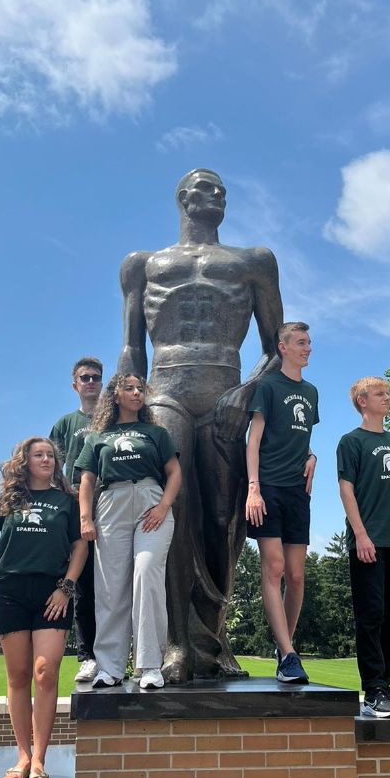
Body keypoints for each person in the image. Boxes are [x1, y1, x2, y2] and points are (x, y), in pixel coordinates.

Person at [118, 168, 284, 681]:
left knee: (222, 519)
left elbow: (275, 347)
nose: (217, 195)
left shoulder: (252, 262)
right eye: (206, 187)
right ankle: (176, 644)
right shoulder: (143, 265)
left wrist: (246, 391)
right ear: (183, 198)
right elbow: (132, 346)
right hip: (165, 390)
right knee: (173, 510)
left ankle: (213, 640)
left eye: (223, 190)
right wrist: (124, 417)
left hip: (225, 392)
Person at [0, 437, 87, 778]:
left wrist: (66, 587)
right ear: (26, 461)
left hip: (52, 592)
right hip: (11, 591)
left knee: (45, 673)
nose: (46, 459)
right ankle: (23, 755)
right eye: (39, 455)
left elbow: (80, 547)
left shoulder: (67, 501)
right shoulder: (8, 501)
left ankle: (41, 760)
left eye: (50, 455)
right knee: (18, 676)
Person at [76, 374, 182, 689]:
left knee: (147, 574)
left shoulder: (156, 433)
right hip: (111, 505)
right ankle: (109, 667)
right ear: (116, 395)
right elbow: (86, 480)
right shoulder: (98, 437)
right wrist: (86, 517)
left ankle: (150, 666)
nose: (137, 393)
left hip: (151, 503)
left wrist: (164, 506)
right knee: (110, 587)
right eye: (130, 388)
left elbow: (175, 472)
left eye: (140, 389)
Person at [337, 377, 390, 719]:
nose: (387, 398)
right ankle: (372, 691)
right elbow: (346, 490)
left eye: (388, 393)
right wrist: (361, 535)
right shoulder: (351, 442)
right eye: (380, 394)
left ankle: (385, 686)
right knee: (369, 617)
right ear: (362, 401)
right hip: (368, 543)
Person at [245, 322, 318, 684]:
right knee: (273, 568)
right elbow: (253, 439)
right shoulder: (268, 386)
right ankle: (289, 653)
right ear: (283, 347)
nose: (308, 348)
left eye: (309, 343)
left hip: (297, 492)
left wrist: (312, 456)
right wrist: (253, 488)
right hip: (268, 487)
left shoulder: (311, 391)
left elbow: (301, 438)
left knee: (297, 575)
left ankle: (283, 647)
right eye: (301, 342)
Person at [49, 356, 104, 684]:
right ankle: (87, 655)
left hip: (111, 507)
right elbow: (53, 468)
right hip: (76, 513)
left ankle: (118, 654)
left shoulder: (114, 420)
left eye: (96, 377)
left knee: (116, 585)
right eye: (85, 378)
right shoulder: (65, 424)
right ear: (75, 384)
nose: (91, 382)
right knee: (82, 587)